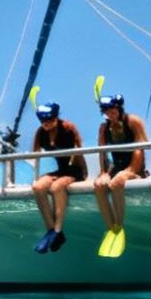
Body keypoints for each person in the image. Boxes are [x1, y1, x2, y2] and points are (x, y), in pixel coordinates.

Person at [90, 92, 148, 258]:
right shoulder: (104, 127)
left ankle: (119, 226)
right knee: (99, 185)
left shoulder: (133, 121)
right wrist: (102, 172)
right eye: (105, 110)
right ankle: (110, 227)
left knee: (116, 183)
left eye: (112, 109)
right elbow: (102, 152)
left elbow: (139, 150)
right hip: (115, 168)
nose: (109, 113)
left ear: (118, 107)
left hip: (134, 169)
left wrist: (130, 171)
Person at [29, 102, 87, 253]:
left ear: (56, 117)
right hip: (60, 169)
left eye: (49, 120)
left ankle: (57, 229)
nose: (46, 124)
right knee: (37, 186)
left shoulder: (68, 127)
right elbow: (33, 155)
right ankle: (51, 231)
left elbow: (79, 151)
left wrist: (62, 176)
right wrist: (39, 176)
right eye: (42, 121)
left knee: (57, 187)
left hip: (76, 168)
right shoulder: (40, 132)